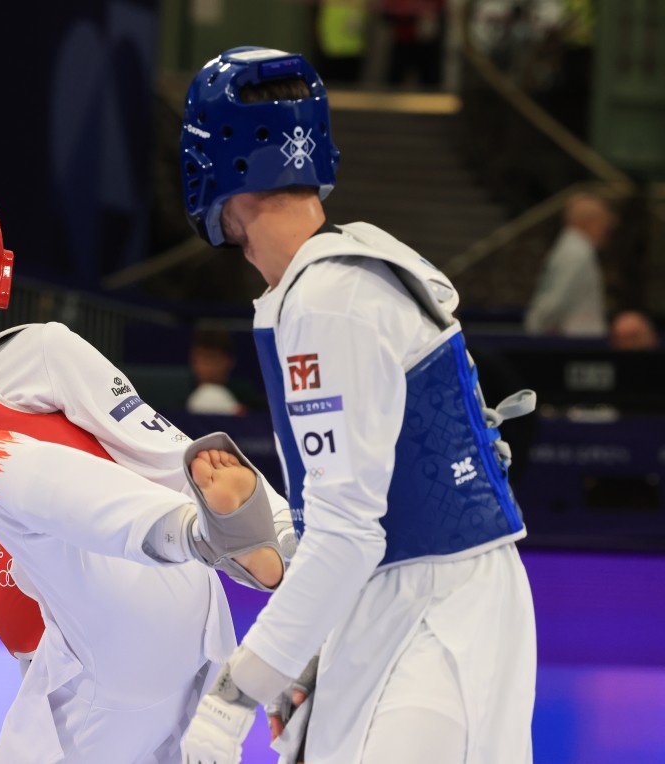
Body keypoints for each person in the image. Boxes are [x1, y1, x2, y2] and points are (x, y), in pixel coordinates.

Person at [0, 165, 294, 762]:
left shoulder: (38, 351)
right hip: (77, 685)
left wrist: (285, 546)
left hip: (154, 586)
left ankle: (201, 539)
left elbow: (174, 456)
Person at [177, 47, 537, 764]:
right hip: (424, 599)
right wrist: (304, 664)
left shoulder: (330, 300)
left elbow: (349, 534)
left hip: (434, 613)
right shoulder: (341, 277)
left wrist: (234, 695)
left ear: (215, 162)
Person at [524, 191, 615, 337]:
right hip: (577, 341)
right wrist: (535, 333)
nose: (607, 228)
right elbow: (554, 302)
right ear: (588, 221)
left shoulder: (576, 248)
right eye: (603, 221)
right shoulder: (576, 253)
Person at [187, 327, 247, 415]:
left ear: (230, 361)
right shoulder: (177, 399)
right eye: (202, 360)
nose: (207, 368)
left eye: (213, 359)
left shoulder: (246, 397)